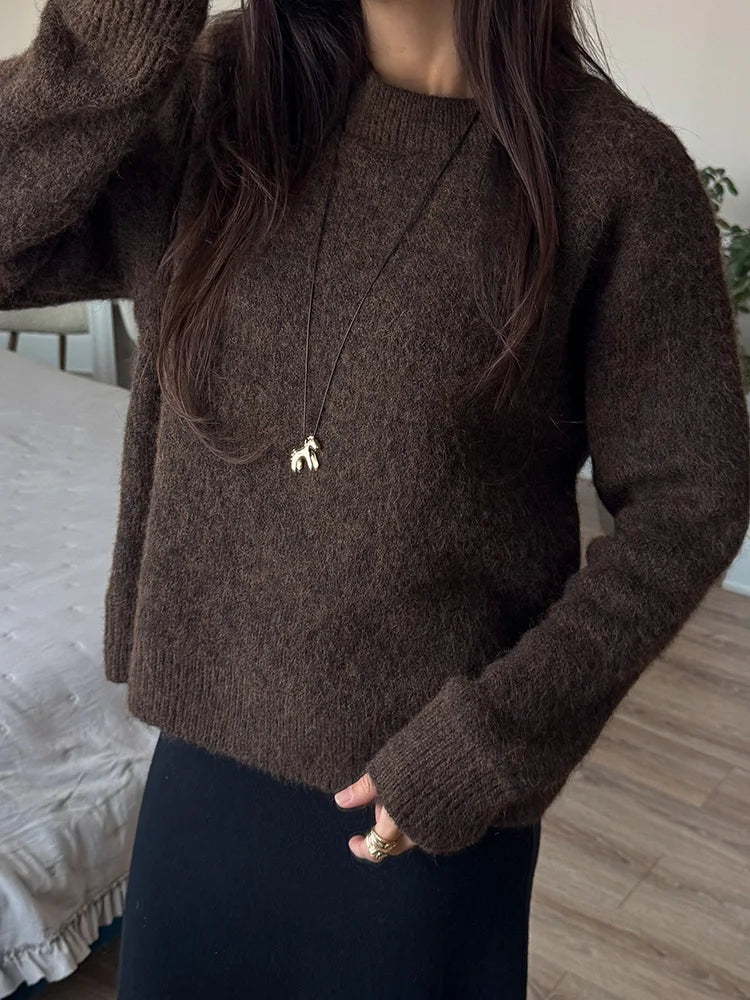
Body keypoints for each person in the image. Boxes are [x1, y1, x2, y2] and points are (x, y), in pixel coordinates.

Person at [1, 0, 748, 996]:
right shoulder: (221, 97)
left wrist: (493, 740)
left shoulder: (614, 173)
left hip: (422, 814)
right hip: (198, 783)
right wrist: (115, 40)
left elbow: (691, 500)